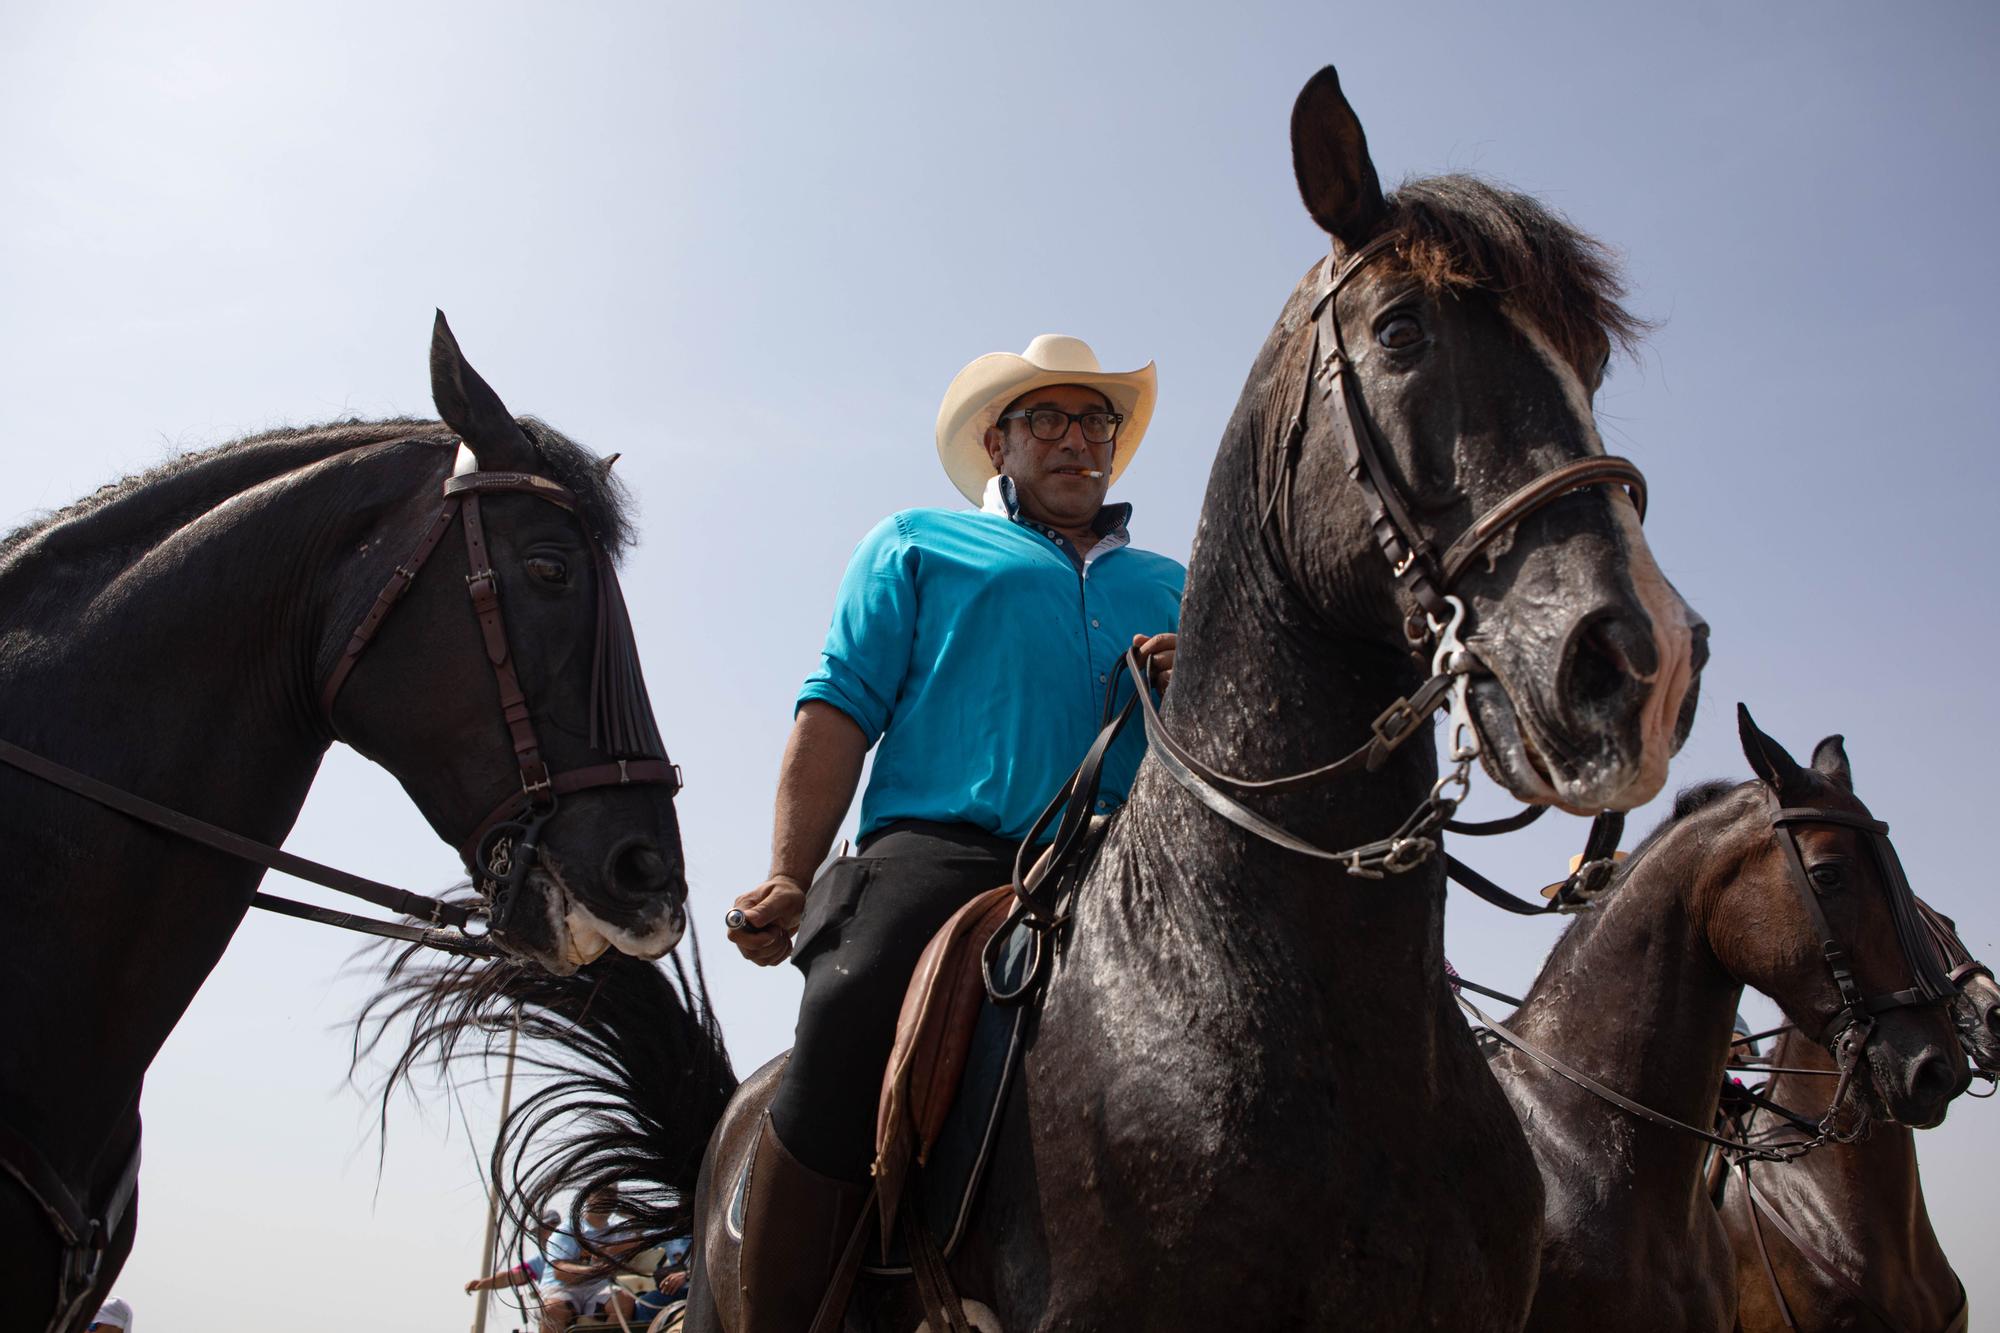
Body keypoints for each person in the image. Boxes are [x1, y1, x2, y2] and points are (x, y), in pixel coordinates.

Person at [726, 334, 1185, 1328]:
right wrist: (789, 873)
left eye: (1093, 421)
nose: (1076, 439)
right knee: (852, 999)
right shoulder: (915, 543)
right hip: (949, 851)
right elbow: (836, 709)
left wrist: (1203, 682)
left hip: (1142, 860)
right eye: (1048, 419)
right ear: (997, 441)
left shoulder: (1176, 584)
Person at [465, 1208, 563, 1295]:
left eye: (544, 1230)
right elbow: (511, 1277)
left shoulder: (576, 1245)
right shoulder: (540, 1261)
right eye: (537, 1233)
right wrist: (482, 1283)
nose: (540, 1237)